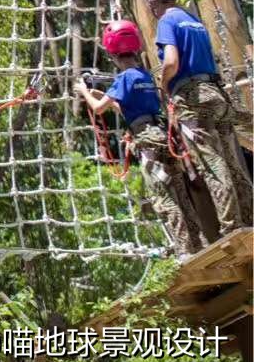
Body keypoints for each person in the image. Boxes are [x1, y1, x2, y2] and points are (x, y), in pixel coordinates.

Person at [74, 20, 203, 257]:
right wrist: (107, 96)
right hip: (162, 134)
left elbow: (98, 109)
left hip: (146, 139)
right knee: (180, 192)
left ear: (112, 54)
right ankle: (198, 243)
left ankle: (185, 251)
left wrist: (83, 91)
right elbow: (129, 107)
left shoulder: (123, 79)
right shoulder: (143, 76)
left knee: (163, 195)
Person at [142, 0, 252, 236]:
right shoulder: (193, 20)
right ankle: (249, 219)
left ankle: (232, 227)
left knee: (212, 164)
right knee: (232, 162)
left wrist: (163, 84)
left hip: (192, 98)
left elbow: (171, 61)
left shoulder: (167, 21)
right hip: (216, 94)